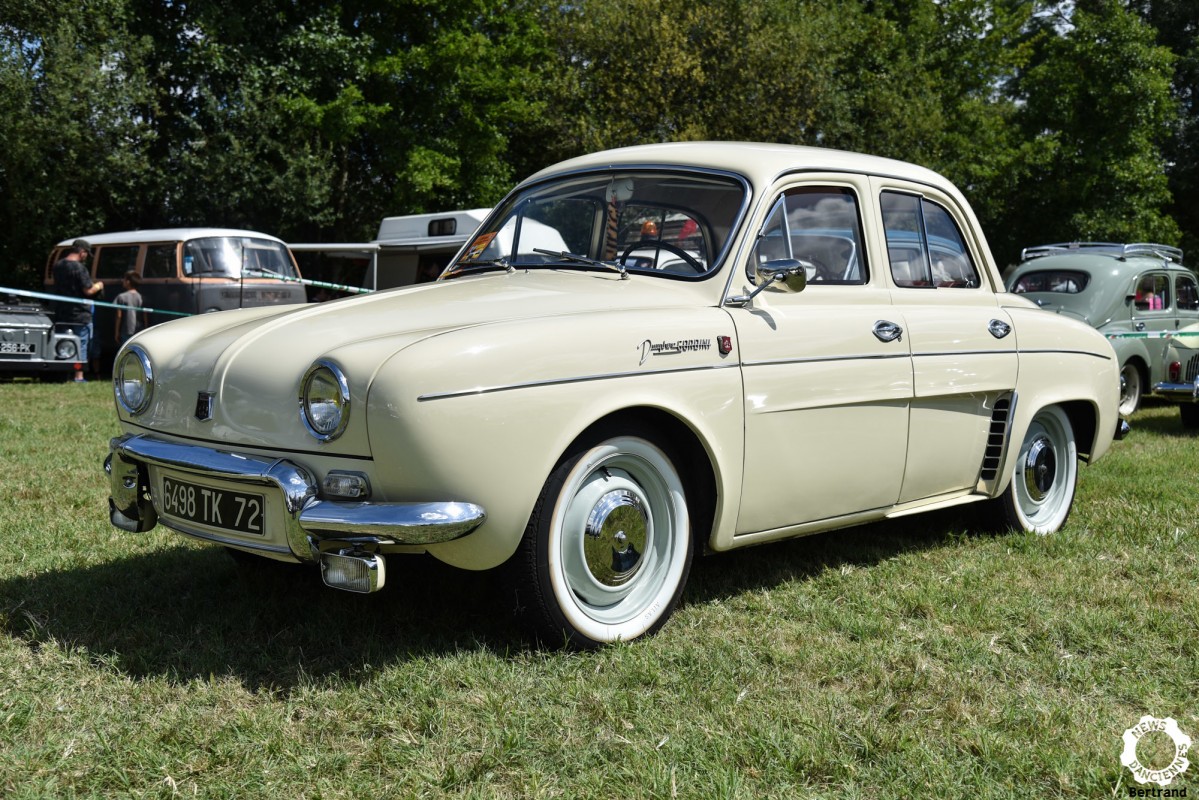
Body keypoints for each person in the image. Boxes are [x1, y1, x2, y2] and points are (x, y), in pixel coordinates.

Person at [51, 240, 103, 382]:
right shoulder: (80, 268)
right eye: (86, 254)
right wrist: (99, 286)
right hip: (80, 314)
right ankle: (78, 375)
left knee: (62, 342)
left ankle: (63, 373)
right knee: (81, 344)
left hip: (61, 311)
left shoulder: (58, 266)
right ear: (82, 252)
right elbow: (88, 290)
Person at [113, 271, 145, 347]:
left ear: (128, 282)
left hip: (126, 330)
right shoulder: (140, 297)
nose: (123, 281)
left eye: (124, 279)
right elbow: (144, 315)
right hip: (139, 330)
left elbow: (119, 316)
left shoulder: (121, 297)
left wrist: (117, 332)